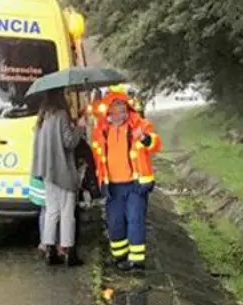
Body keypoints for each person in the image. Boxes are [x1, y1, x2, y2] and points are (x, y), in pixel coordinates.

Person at [91, 91, 161, 271]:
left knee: (135, 219)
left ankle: (137, 261)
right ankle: (119, 255)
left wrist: (144, 138)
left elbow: (155, 144)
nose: (120, 115)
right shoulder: (100, 131)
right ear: (108, 113)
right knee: (115, 222)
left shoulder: (140, 125)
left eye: (123, 110)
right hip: (113, 187)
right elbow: (97, 158)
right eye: (116, 111)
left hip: (135, 186)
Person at [32, 89, 87, 266]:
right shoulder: (61, 115)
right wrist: (79, 127)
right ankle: (69, 252)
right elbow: (69, 142)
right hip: (62, 172)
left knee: (51, 212)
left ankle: (50, 250)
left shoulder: (43, 117)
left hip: (47, 173)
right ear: (60, 98)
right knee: (67, 213)